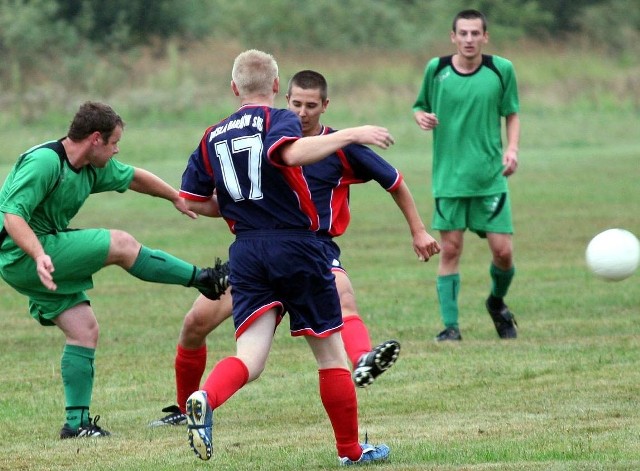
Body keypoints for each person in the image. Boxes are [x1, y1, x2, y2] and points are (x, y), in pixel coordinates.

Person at [149, 70, 440, 428]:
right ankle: (186, 409)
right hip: (260, 248)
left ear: (325, 106)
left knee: (342, 296)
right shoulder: (261, 140)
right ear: (283, 99)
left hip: (313, 247)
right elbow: (228, 194)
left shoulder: (337, 147)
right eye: (297, 104)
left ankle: (362, 358)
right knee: (195, 323)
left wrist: (419, 230)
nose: (302, 112)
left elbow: (394, 181)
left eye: (311, 106)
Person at [178, 50, 397, 465]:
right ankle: (351, 453)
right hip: (295, 245)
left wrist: (240, 204)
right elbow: (291, 154)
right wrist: (352, 133)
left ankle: (206, 396)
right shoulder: (278, 119)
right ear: (277, 87)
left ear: (233, 88)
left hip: (245, 249)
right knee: (331, 354)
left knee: (250, 357)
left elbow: (192, 201)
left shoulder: (212, 135)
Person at [0, 101, 230, 439]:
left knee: (83, 330)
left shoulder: (91, 167)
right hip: (21, 253)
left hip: (38, 254)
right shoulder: (45, 162)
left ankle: (76, 425)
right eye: (113, 143)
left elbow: (134, 177)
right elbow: (13, 217)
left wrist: (174, 197)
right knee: (120, 244)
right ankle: (203, 279)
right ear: (95, 139)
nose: (116, 149)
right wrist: (36, 254)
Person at [412, 9, 520, 342]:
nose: (469, 39)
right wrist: (421, 117)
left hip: (489, 177)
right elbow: (419, 106)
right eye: (463, 33)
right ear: (453, 37)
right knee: (451, 249)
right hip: (449, 178)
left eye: (476, 33)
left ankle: (496, 302)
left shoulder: (501, 70)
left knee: (503, 252)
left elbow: (512, 112)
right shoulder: (437, 69)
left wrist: (512, 149)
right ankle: (451, 328)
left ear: (485, 37)